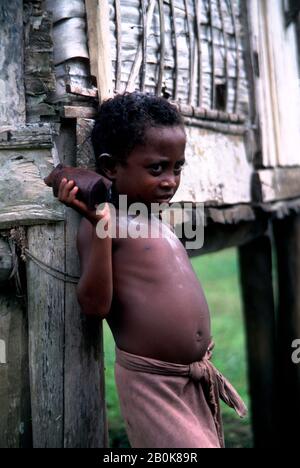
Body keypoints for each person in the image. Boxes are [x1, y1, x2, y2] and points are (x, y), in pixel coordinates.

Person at [55, 92, 246, 448]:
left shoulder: (151, 218)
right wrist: (100, 227)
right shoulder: (105, 225)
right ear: (111, 168)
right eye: (156, 168)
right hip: (154, 385)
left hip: (194, 376)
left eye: (177, 168)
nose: (170, 180)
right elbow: (95, 306)